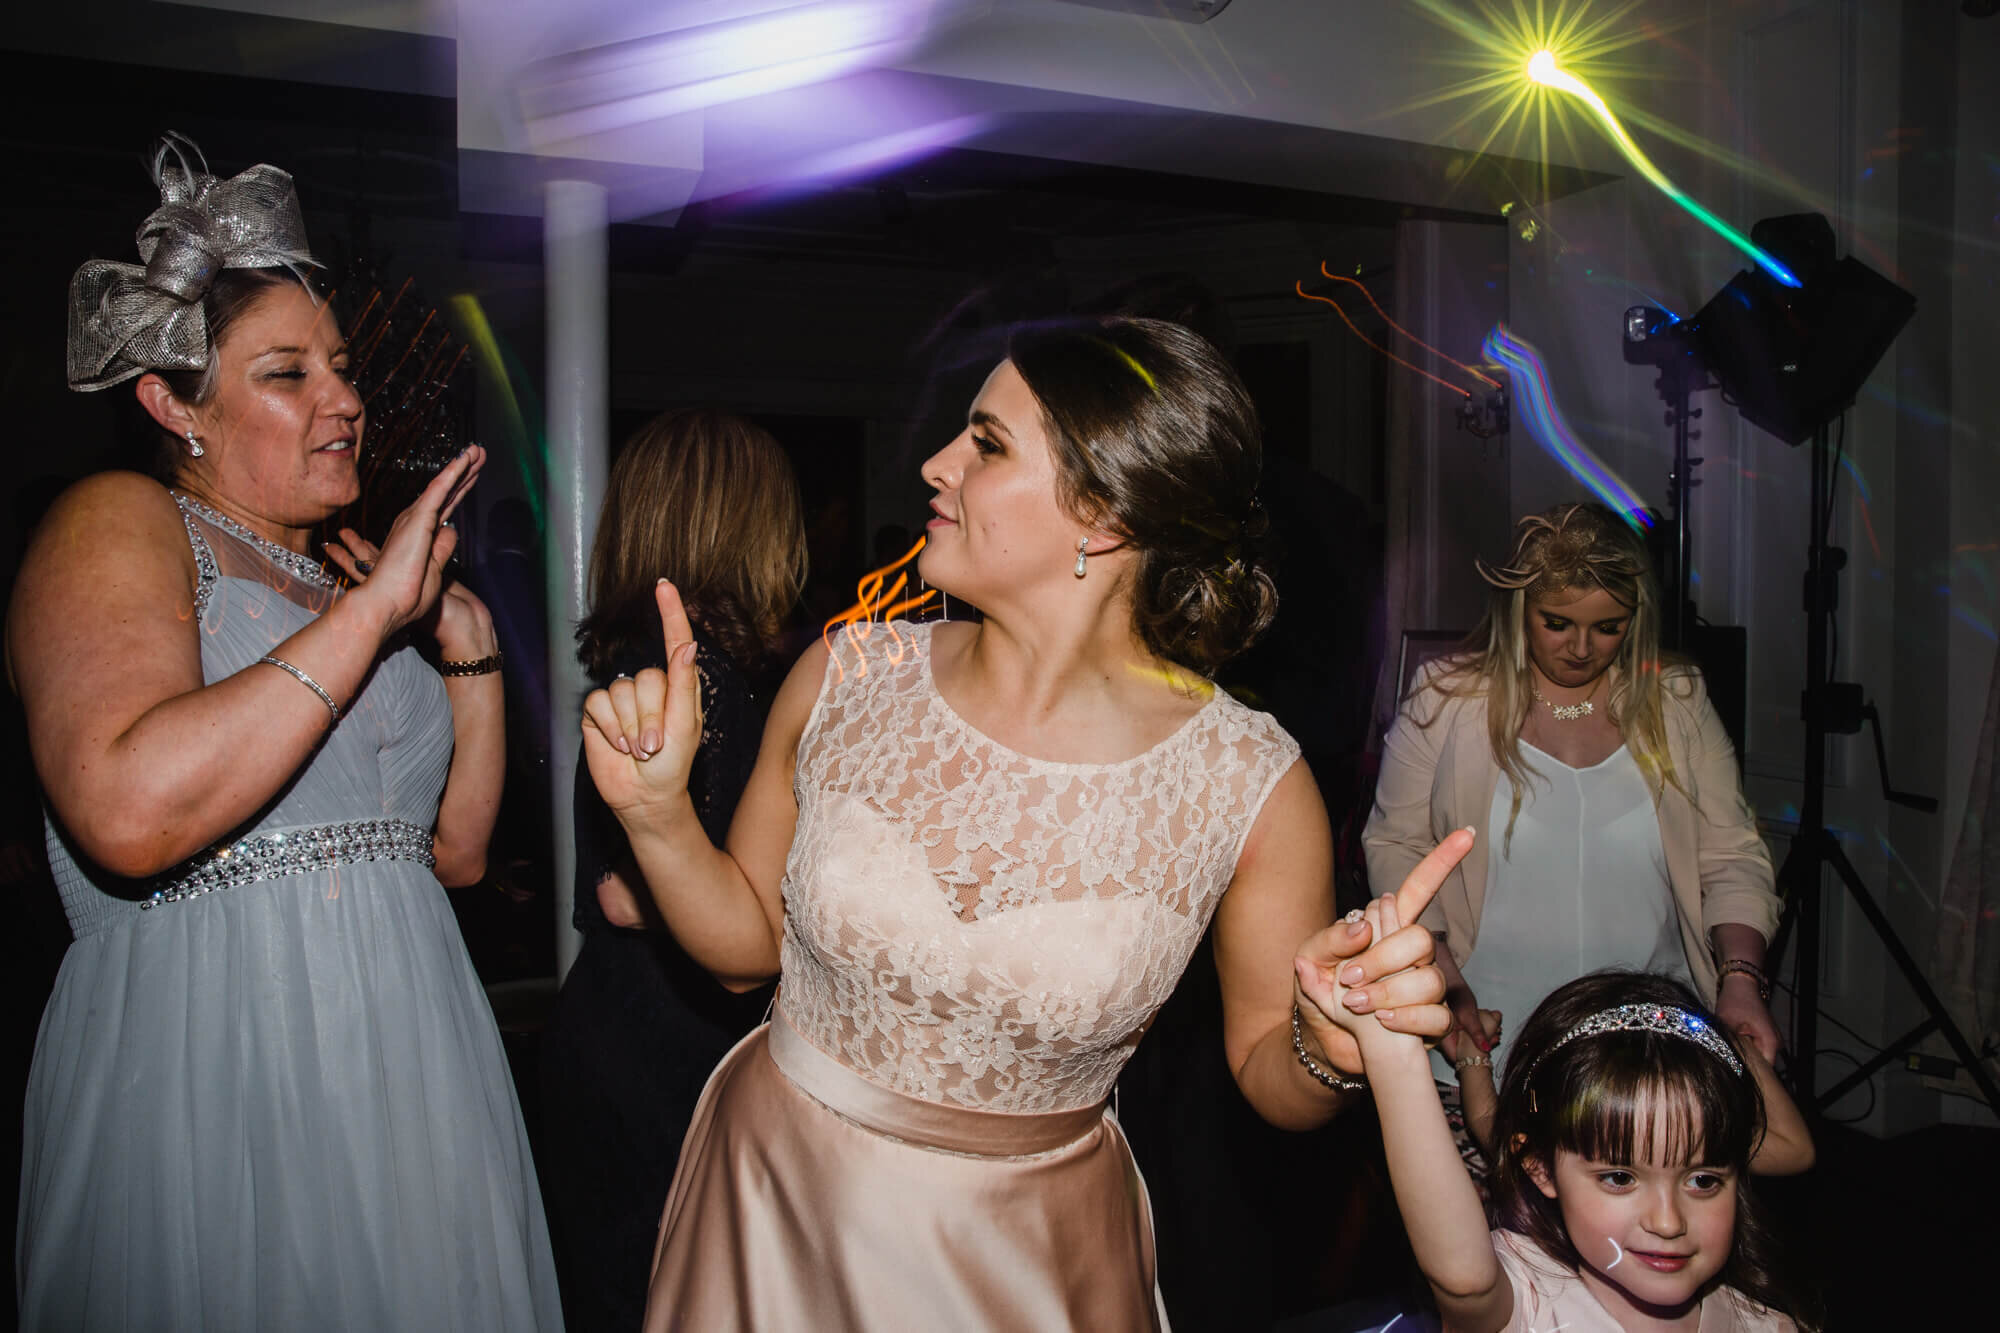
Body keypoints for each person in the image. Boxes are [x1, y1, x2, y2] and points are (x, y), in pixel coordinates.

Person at [581, 317, 1469, 1331]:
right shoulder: (845, 676)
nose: (934, 463)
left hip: (1022, 1254)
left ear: (1098, 514)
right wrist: (654, 818)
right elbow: (743, 950)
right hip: (777, 1201)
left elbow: (1271, 1075)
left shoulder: (1246, 780)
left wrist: (1329, 1044)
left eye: (985, 444)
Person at [10, 141, 561, 1330]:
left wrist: (460, 644)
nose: (345, 399)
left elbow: (451, 854)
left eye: (342, 368)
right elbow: (127, 807)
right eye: (286, 373)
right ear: (174, 406)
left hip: (410, 1036)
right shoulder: (122, 521)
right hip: (222, 1048)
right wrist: (370, 618)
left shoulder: (339, 579)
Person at [1365, 502, 1784, 1174]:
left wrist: (1740, 980)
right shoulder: (1443, 698)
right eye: (1556, 622)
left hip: (1646, 1068)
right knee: (1488, 1272)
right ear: (1518, 608)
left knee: (1643, 1263)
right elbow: (1396, 846)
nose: (1580, 648)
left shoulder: (1676, 699)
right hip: (1482, 1056)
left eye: (1607, 627)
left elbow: (1732, 854)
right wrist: (1440, 973)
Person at [540, 408, 806, 1332]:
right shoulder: (701, 675)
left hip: (627, 1029)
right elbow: (622, 892)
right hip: (662, 1043)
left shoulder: (659, 660)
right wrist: (789, 907)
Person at [1315, 943, 1816, 1332]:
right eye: (1620, 1177)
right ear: (1539, 1168)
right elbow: (1463, 1279)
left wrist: (1719, 1035)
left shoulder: (1766, 1324)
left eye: (1703, 1180)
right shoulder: (1533, 1300)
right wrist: (1392, 1054)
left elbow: (1796, 1148)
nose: (1668, 1222)